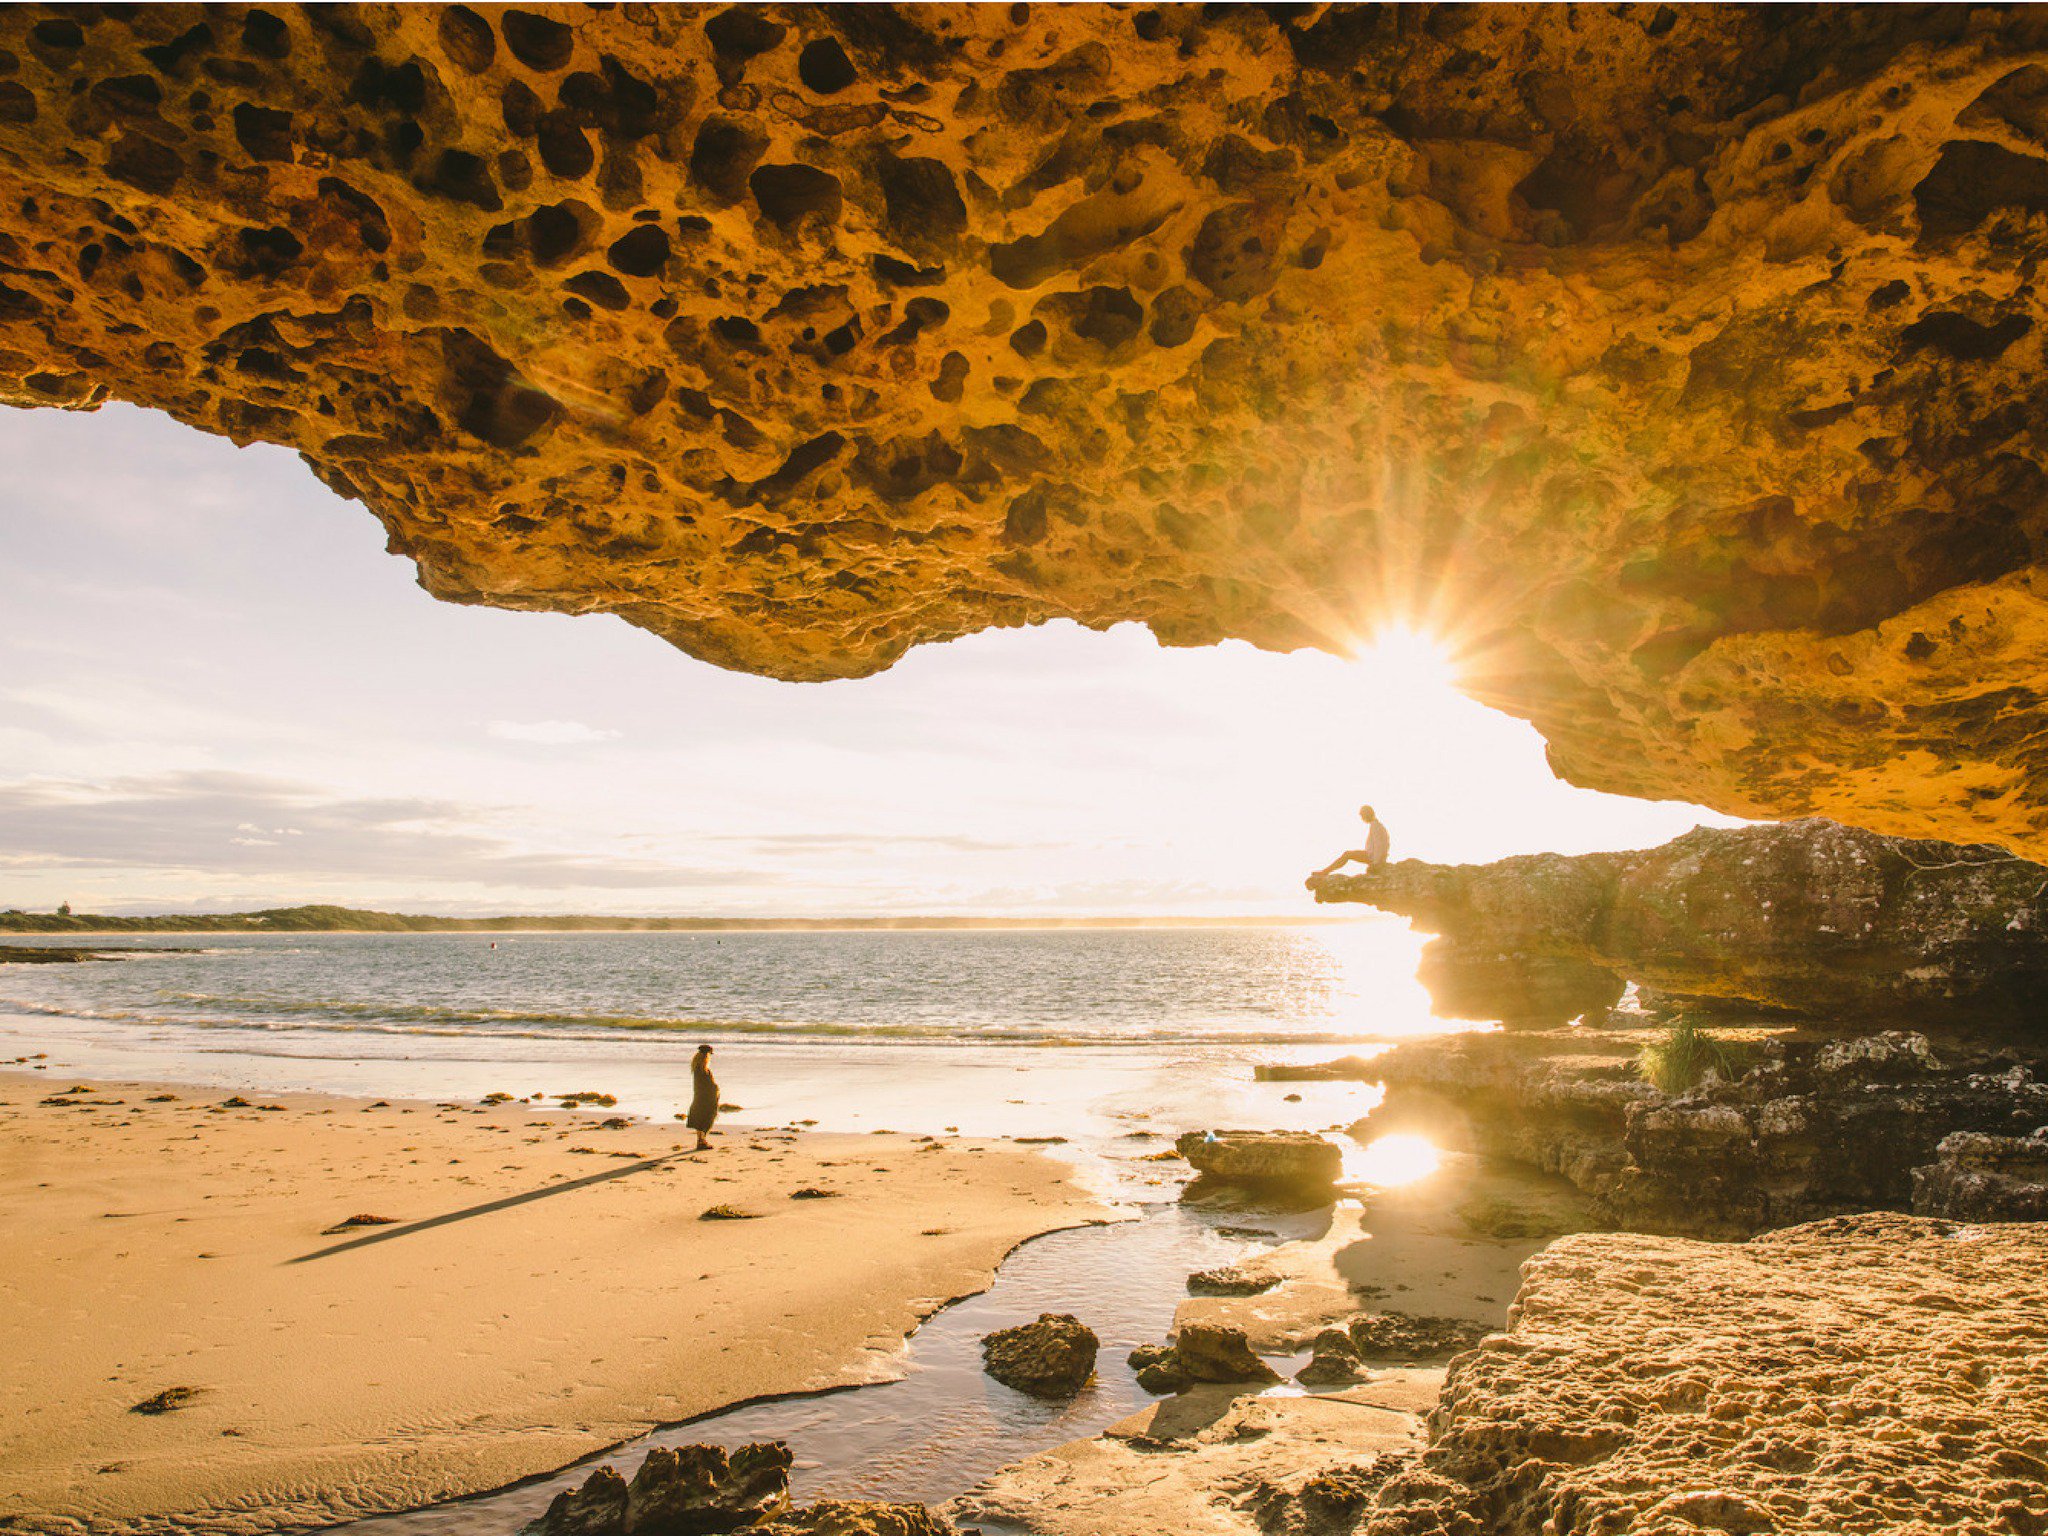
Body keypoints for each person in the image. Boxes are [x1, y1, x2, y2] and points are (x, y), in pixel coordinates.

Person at [1308, 805, 1392, 885]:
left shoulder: (1376, 826)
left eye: (1362, 815)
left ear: (1367, 814)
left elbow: (1379, 846)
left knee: (1347, 854)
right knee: (1347, 854)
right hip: (1373, 856)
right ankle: (1325, 871)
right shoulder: (1376, 825)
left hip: (1372, 857)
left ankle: (1325, 872)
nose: (1362, 818)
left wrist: (1376, 863)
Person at [685, 1044, 719, 1151]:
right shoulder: (703, 1070)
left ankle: (701, 1140)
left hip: (699, 1096)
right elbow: (708, 1085)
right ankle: (702, 1141)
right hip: (706, 1097)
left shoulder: (697, 1067)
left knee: (700, 1118)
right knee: (707, 1118)